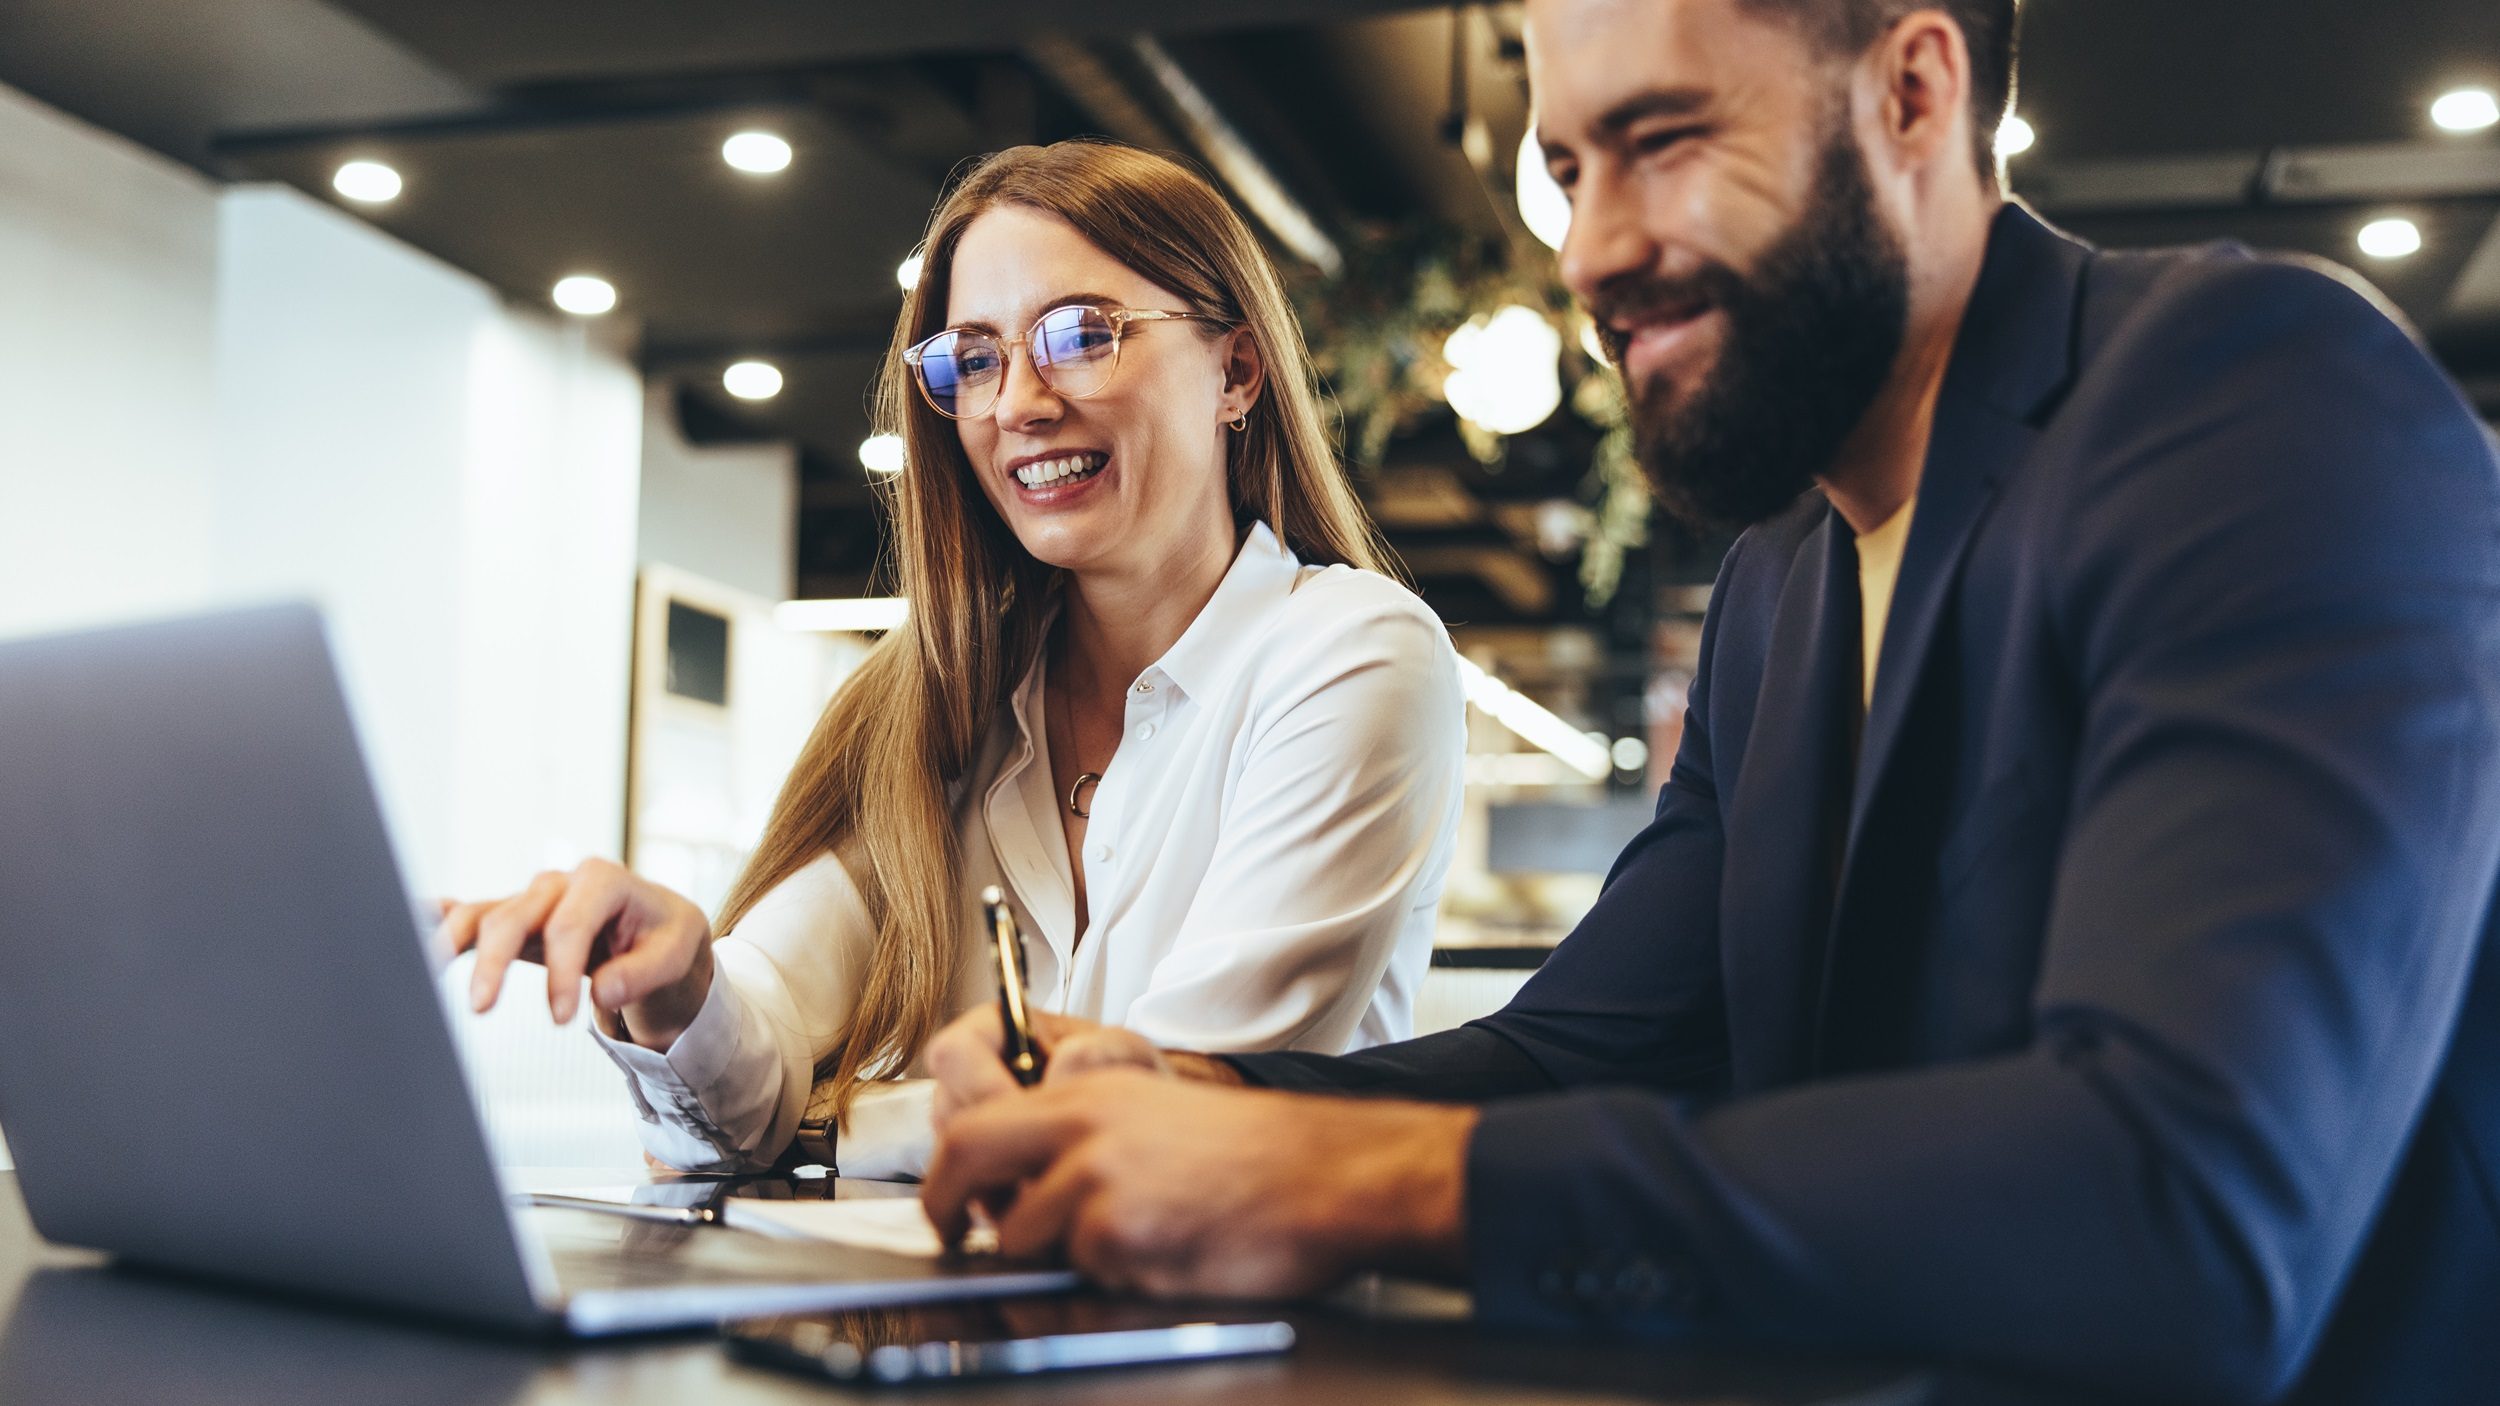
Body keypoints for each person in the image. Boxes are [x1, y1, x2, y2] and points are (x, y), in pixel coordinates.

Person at [915, 3, 2500, 1402]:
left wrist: (1368, 1179)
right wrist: (1195, 1090)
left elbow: (2186, 1206)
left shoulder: (2259, 394)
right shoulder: (1784, 572)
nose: (1594, 249)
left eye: (1658, 140)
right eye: (1566, 172)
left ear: (1914, 93)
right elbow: (1592, 1049)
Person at [441, 140, 1467, 1179]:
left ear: (1235, 371)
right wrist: (680, 984)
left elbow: (1171, 1108)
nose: (1018, 400)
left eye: (1079, 334)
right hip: (964, 1331)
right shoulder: (942, 700)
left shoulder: (1353, 654)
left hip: (1261, 1333)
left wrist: (826, 1127)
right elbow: (755, 1045)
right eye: (973, 358)